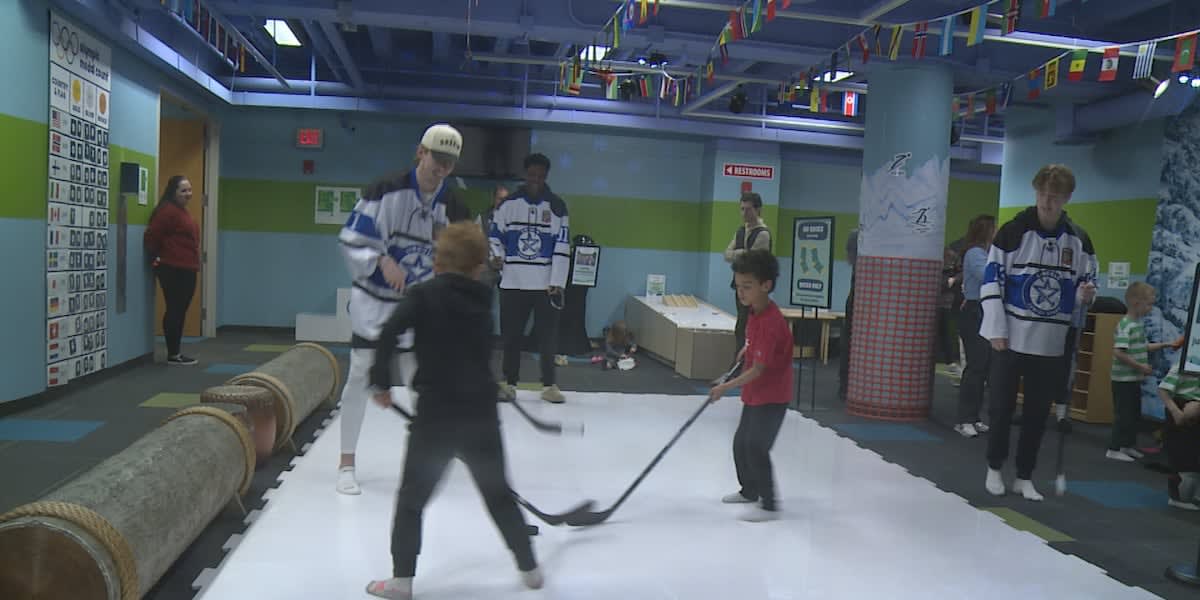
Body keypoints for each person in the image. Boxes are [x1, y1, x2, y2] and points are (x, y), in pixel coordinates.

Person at [364, 221, 542, 600]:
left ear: (437, 262)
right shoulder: (483, 301)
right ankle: (530, 569)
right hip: (480, 415)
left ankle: (401, 581)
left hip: (436, 418)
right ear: (477, 267)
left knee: (412, 500)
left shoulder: (422, 295)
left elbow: (389, 332)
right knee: (498, 495)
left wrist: (380, 382)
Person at [335, 123, 471, 495]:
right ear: (420, 153)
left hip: (420, 307)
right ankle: (346, 464)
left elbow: (467, 260)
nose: (441, 169)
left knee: (422, 385)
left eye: (449, 163)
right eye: (436, 159)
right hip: (375, 303)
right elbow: (351, 239)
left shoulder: (455, 206)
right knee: (360, 377)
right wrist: (381, 260)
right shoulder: (384, 191)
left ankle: (423, 463)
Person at [980, 164, 1098, 501]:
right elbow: (992, 281)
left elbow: (1086, 284)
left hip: (1051, 343)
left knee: (1036, 413)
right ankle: (994, 467)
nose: (1047, 202)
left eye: (1055, 197)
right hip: (1010, 338)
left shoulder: (1078, 239)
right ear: (1036, 193)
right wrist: (996, 329)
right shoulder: (1012, 232)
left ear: (1066, 198)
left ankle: (1024, 475)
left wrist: (1086, 294)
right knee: (1001, 408)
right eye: (1043, 195)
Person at [709, 249, 793, 522]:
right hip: (756, 393)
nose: (740, 293)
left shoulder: (771, 322)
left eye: (747, 286)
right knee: (741, 444)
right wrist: (747, 349)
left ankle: (769, 505)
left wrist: (724, 387)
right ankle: (749, 491)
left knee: (756, 447)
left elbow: (758, 370)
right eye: (738, 286)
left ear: (765, 285)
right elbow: (755, 345)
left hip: (772, 396)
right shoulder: (755, 312)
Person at [489, 153, 569, 404]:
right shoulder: (508, 205)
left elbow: (562, 245)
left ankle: (549, 385)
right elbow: (494, 238)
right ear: (525, 175)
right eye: (532, 175)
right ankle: (509, 383)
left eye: (540, 176)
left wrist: (557, 282)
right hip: (513, 283)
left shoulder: (557, 206)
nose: (536, 180)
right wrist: (496, 257)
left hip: (546, 285)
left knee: (547, 338)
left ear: (546, 176)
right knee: (511, 336)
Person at [1108, 282, 1176, 462]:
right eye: (1149, 304)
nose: (1151, 308)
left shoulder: (1137, 324)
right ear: (1136, 303)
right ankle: (1114, 448)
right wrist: (1140, 367)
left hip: (1133, 379)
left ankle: (1127, 445)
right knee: (1123, 415)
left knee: (1133, 415)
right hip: (1123, 380)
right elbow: (1119, 352)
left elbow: (1142, 346)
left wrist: (1165, 344)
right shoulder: (1126, 325)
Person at [144, 175, 200, 366]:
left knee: (180, 309)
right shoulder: (167, 212)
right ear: (173, 192)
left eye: (189, 190)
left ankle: (175, 352)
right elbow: (152, 237)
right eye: (183, 190)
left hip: (187, 267)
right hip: (173, 268)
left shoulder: (181, 212)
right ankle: (173, 354)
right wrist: (156, 259)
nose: (188, 194)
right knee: (175, 309)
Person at [955, 215, 996, 437]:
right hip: (974, 312)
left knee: (984, 367)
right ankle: (964, 419)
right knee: (976, 367)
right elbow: (986, 276)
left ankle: (974, 417)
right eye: (994, 228)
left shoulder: (986, 253)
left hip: (984, 311)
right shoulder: (975, 253)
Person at [723, 192, 772, 354]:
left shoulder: (763, 234)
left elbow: (752, 260)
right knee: (741, 326)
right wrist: (743, 253)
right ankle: (740, 362)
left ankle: (749, 362)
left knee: (751, 328)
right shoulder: (740, 231)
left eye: (748, 209)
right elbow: (726, 254)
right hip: (740, 287)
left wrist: (738, 253)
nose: (744, 213)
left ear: (758, 210)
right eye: (742, 209)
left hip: (755, 288)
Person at [1159, 360, 1200, 510]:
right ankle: (1178, 497)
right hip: (1180, 412)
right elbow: (1163, 390)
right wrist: (1176, 412)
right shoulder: (1186, 365)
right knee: (1184, 460)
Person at [838, 227, 859, 401]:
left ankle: (845, 385)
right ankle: (846, 385)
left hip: (855, 301)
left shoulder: (859, 269)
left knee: (848, 342)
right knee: (849, 343)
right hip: (858, 301)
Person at [476, 184, 509, 289]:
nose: (503, 202)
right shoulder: (483, 218)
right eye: (500, 199)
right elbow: (476, 242)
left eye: (505, 200)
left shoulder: (514, 220)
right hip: (487, 266)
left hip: (507, 267)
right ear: (494, 199)